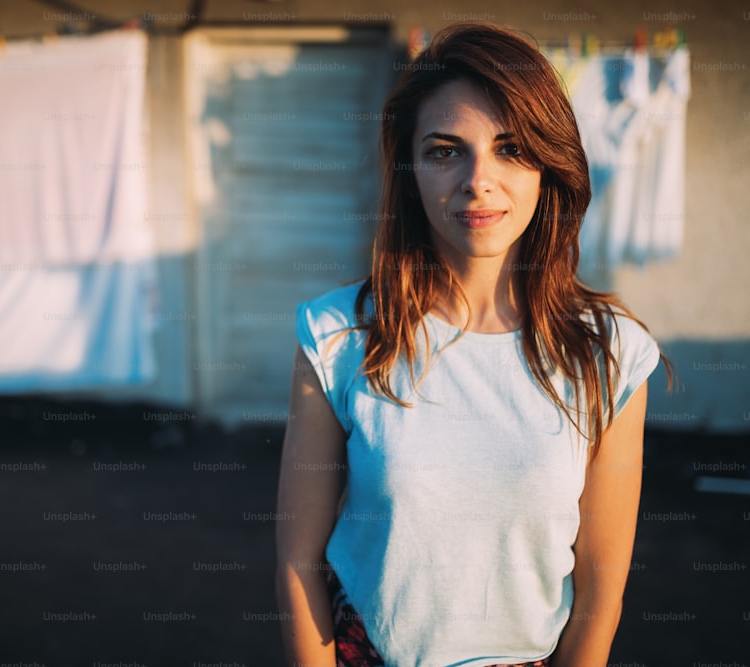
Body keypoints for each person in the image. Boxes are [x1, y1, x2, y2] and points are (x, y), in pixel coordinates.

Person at [275, 22, 673, 667]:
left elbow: (600, 594)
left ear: (549, 165)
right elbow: (298, 562)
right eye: (444, 151)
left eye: (511, 149)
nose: (478, 179)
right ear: (411, 172)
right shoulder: (339, 335)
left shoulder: (611, 354)